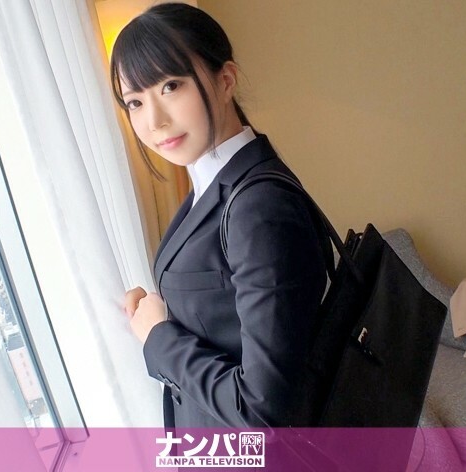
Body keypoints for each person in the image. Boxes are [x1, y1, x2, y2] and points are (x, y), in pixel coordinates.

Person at [112, 2, 328, 429]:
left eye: (170, 86)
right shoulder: (215, 183)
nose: (154, 120)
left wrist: (158, 336)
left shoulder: (258, 207)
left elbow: (262, 408)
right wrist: (165, 312)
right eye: (135, 102)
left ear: (225, 80)